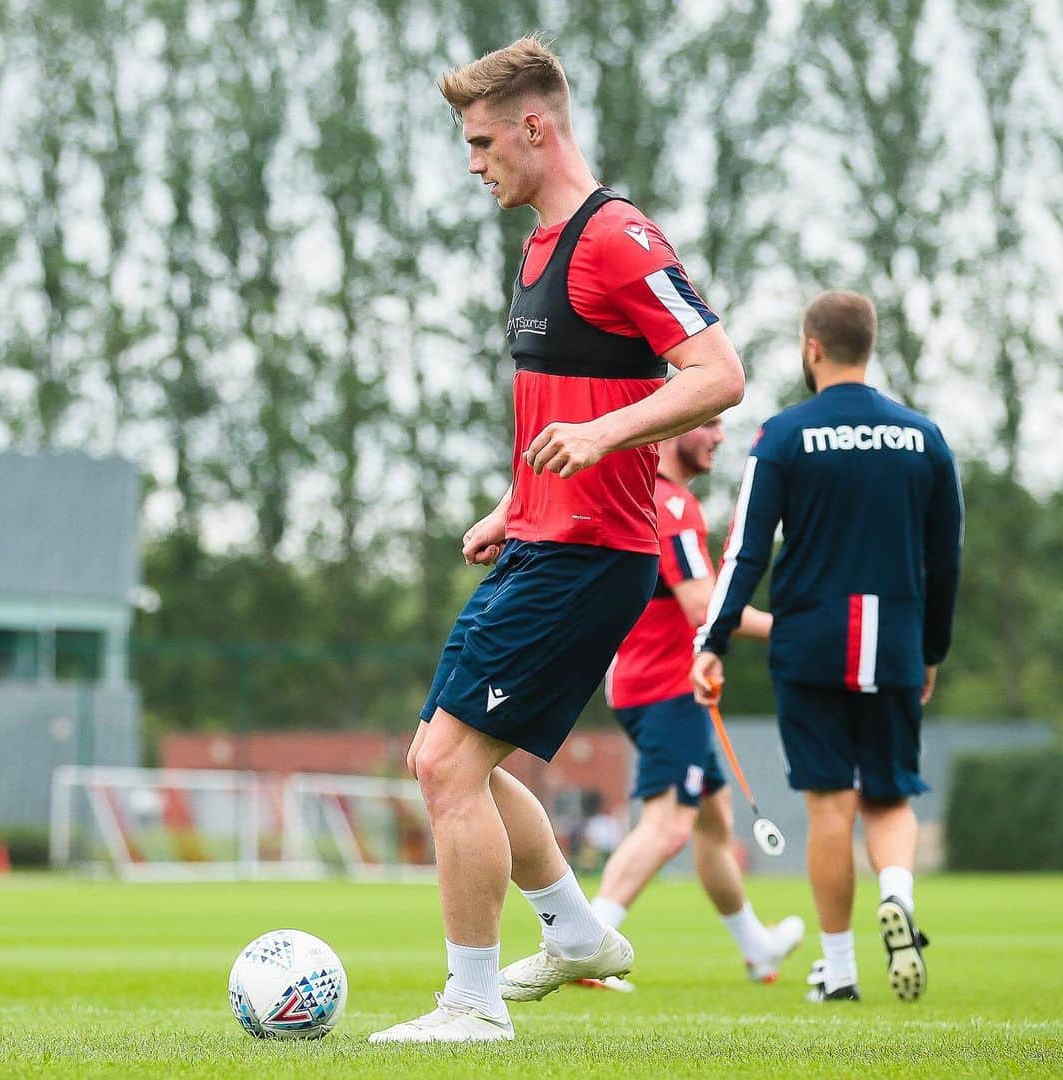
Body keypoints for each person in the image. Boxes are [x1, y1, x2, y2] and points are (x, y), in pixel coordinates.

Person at [369, 35, 745, 1044]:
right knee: (447, 762)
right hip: (544, 538)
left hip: (595, 557)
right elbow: (565, 402)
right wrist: (514, 496)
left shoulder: (617, 235)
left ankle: (475, 1006)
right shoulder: (538, 244)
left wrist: (601, 436)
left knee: (448, 765)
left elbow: (718, 373)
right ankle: (575, 933)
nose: (474, 161)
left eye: (485, 141)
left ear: (537, 127)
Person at [691, 291, 963, 1003]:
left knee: (829, 808)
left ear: (812, 347)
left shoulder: (783, 436)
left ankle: (839, 970)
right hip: (897, 640)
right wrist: (930, 648)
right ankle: (896, 894)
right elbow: (947, 557)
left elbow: (745, 551)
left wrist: (713, 641)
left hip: (812, 642)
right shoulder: (924, 438)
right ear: (867, 348)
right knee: (891, 795)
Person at [587, 418, 803, 993]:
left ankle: (757, 947)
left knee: (713, 821)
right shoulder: (673, 504)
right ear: (673, 425)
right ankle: (586, 944)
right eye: (708, 421)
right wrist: (790, 630)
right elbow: (702, 604)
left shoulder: (638, 492)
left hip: (649, 686)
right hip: (664, 689)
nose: (719, 435)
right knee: (669, 825)